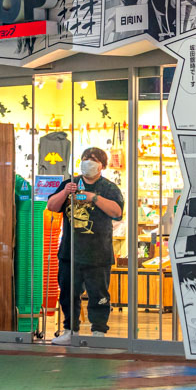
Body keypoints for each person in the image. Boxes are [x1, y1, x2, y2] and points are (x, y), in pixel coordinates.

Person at [46, 147, 124, 343]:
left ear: (102, 166)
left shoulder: (108, 188)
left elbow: (117, 212)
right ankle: (70, 330)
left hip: (98, 254)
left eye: (93, 159)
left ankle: (98, 332)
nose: (88, 162)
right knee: (68, 294)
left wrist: (93, 198)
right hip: (70, 253)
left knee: (99, 295)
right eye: (85, 158)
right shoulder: (70, 183)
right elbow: (52, 206)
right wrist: (65, 192)